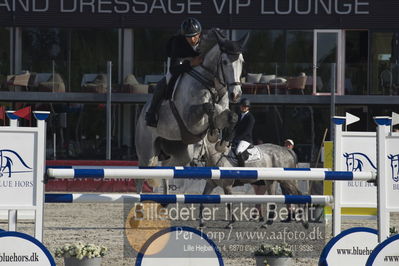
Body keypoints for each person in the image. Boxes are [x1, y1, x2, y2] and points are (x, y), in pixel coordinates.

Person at [145, 17, 204, 127]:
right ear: (184, 36)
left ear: (199, 34)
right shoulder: (177, 42)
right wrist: (191, 64)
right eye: (188, 37)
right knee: (165, 82)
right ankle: (151, 113)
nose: (192, 40)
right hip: (180, 64)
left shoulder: (205, 41)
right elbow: (173, 69)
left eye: (194, 36)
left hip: (199, 68)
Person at [233, 98, 255, 167]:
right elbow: (235, 128)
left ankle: (241, 170)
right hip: (237, 138)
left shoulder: (251, 118)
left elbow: (247, 131)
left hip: (246, 139)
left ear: (248, 108)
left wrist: (237, 138)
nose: (243, 108)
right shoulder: (239, 116)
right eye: (242, 106)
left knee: (238, 151)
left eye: (245, 106)